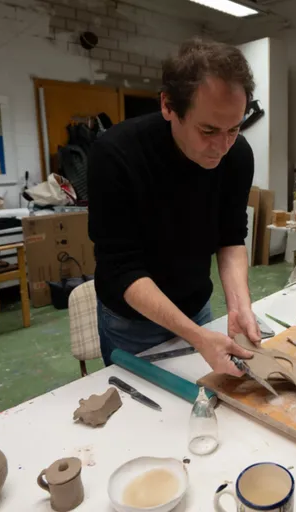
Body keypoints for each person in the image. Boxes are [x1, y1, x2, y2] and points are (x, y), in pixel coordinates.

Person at [88, 39, 260, 377]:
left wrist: (240, 306)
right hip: (131, 322)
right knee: (149, 422)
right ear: (168, 105)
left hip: (196, 307)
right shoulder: (115, 154)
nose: (222, 146)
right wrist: (197, 337)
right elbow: (121, 268)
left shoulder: (237, 154)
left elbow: (231, 238)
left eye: (234, 128)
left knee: (204, 404)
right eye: (208, 130)